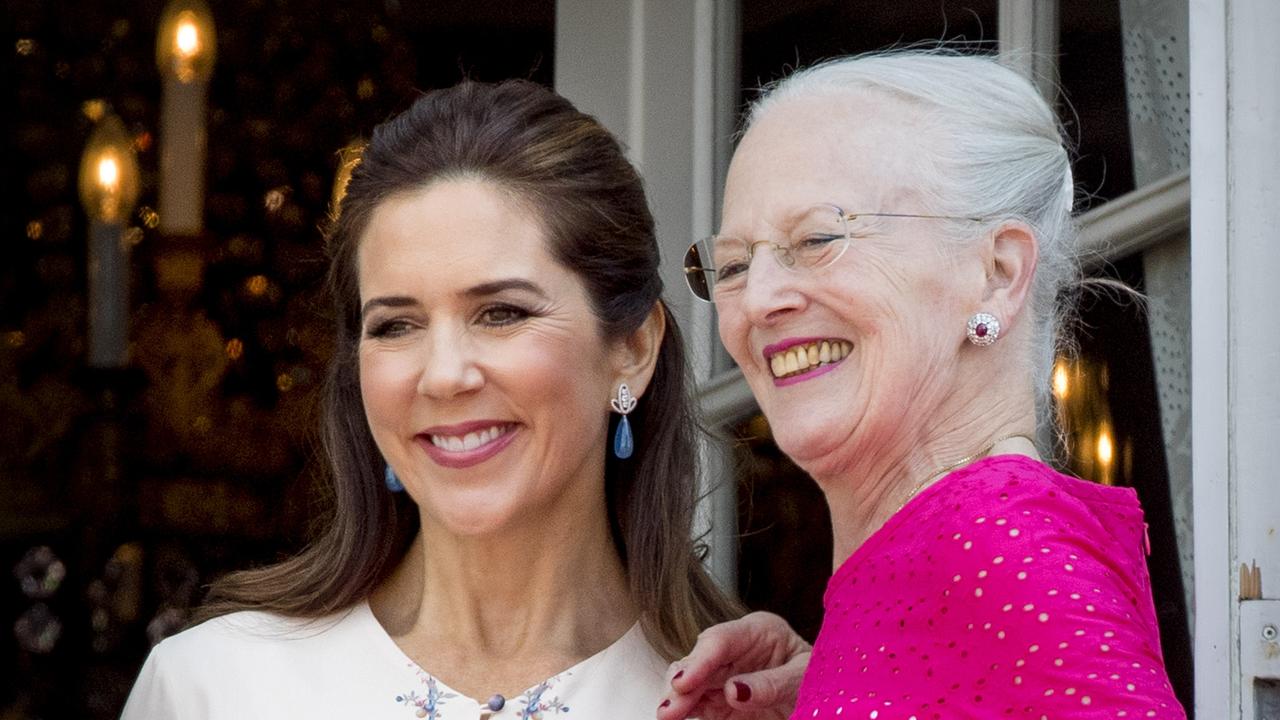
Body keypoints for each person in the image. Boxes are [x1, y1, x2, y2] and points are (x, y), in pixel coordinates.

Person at [121, 79, 740, 718]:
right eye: (396, 325)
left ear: (633, 348)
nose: (443, 376)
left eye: (501, 312)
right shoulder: (212, 690)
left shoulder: (737, 702)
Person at [659, 50, 1186, 719]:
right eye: (732, 264)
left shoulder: (1000, 549)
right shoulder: (945, 565)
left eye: (819, 237)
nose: (758, 299)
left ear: (996, 272)